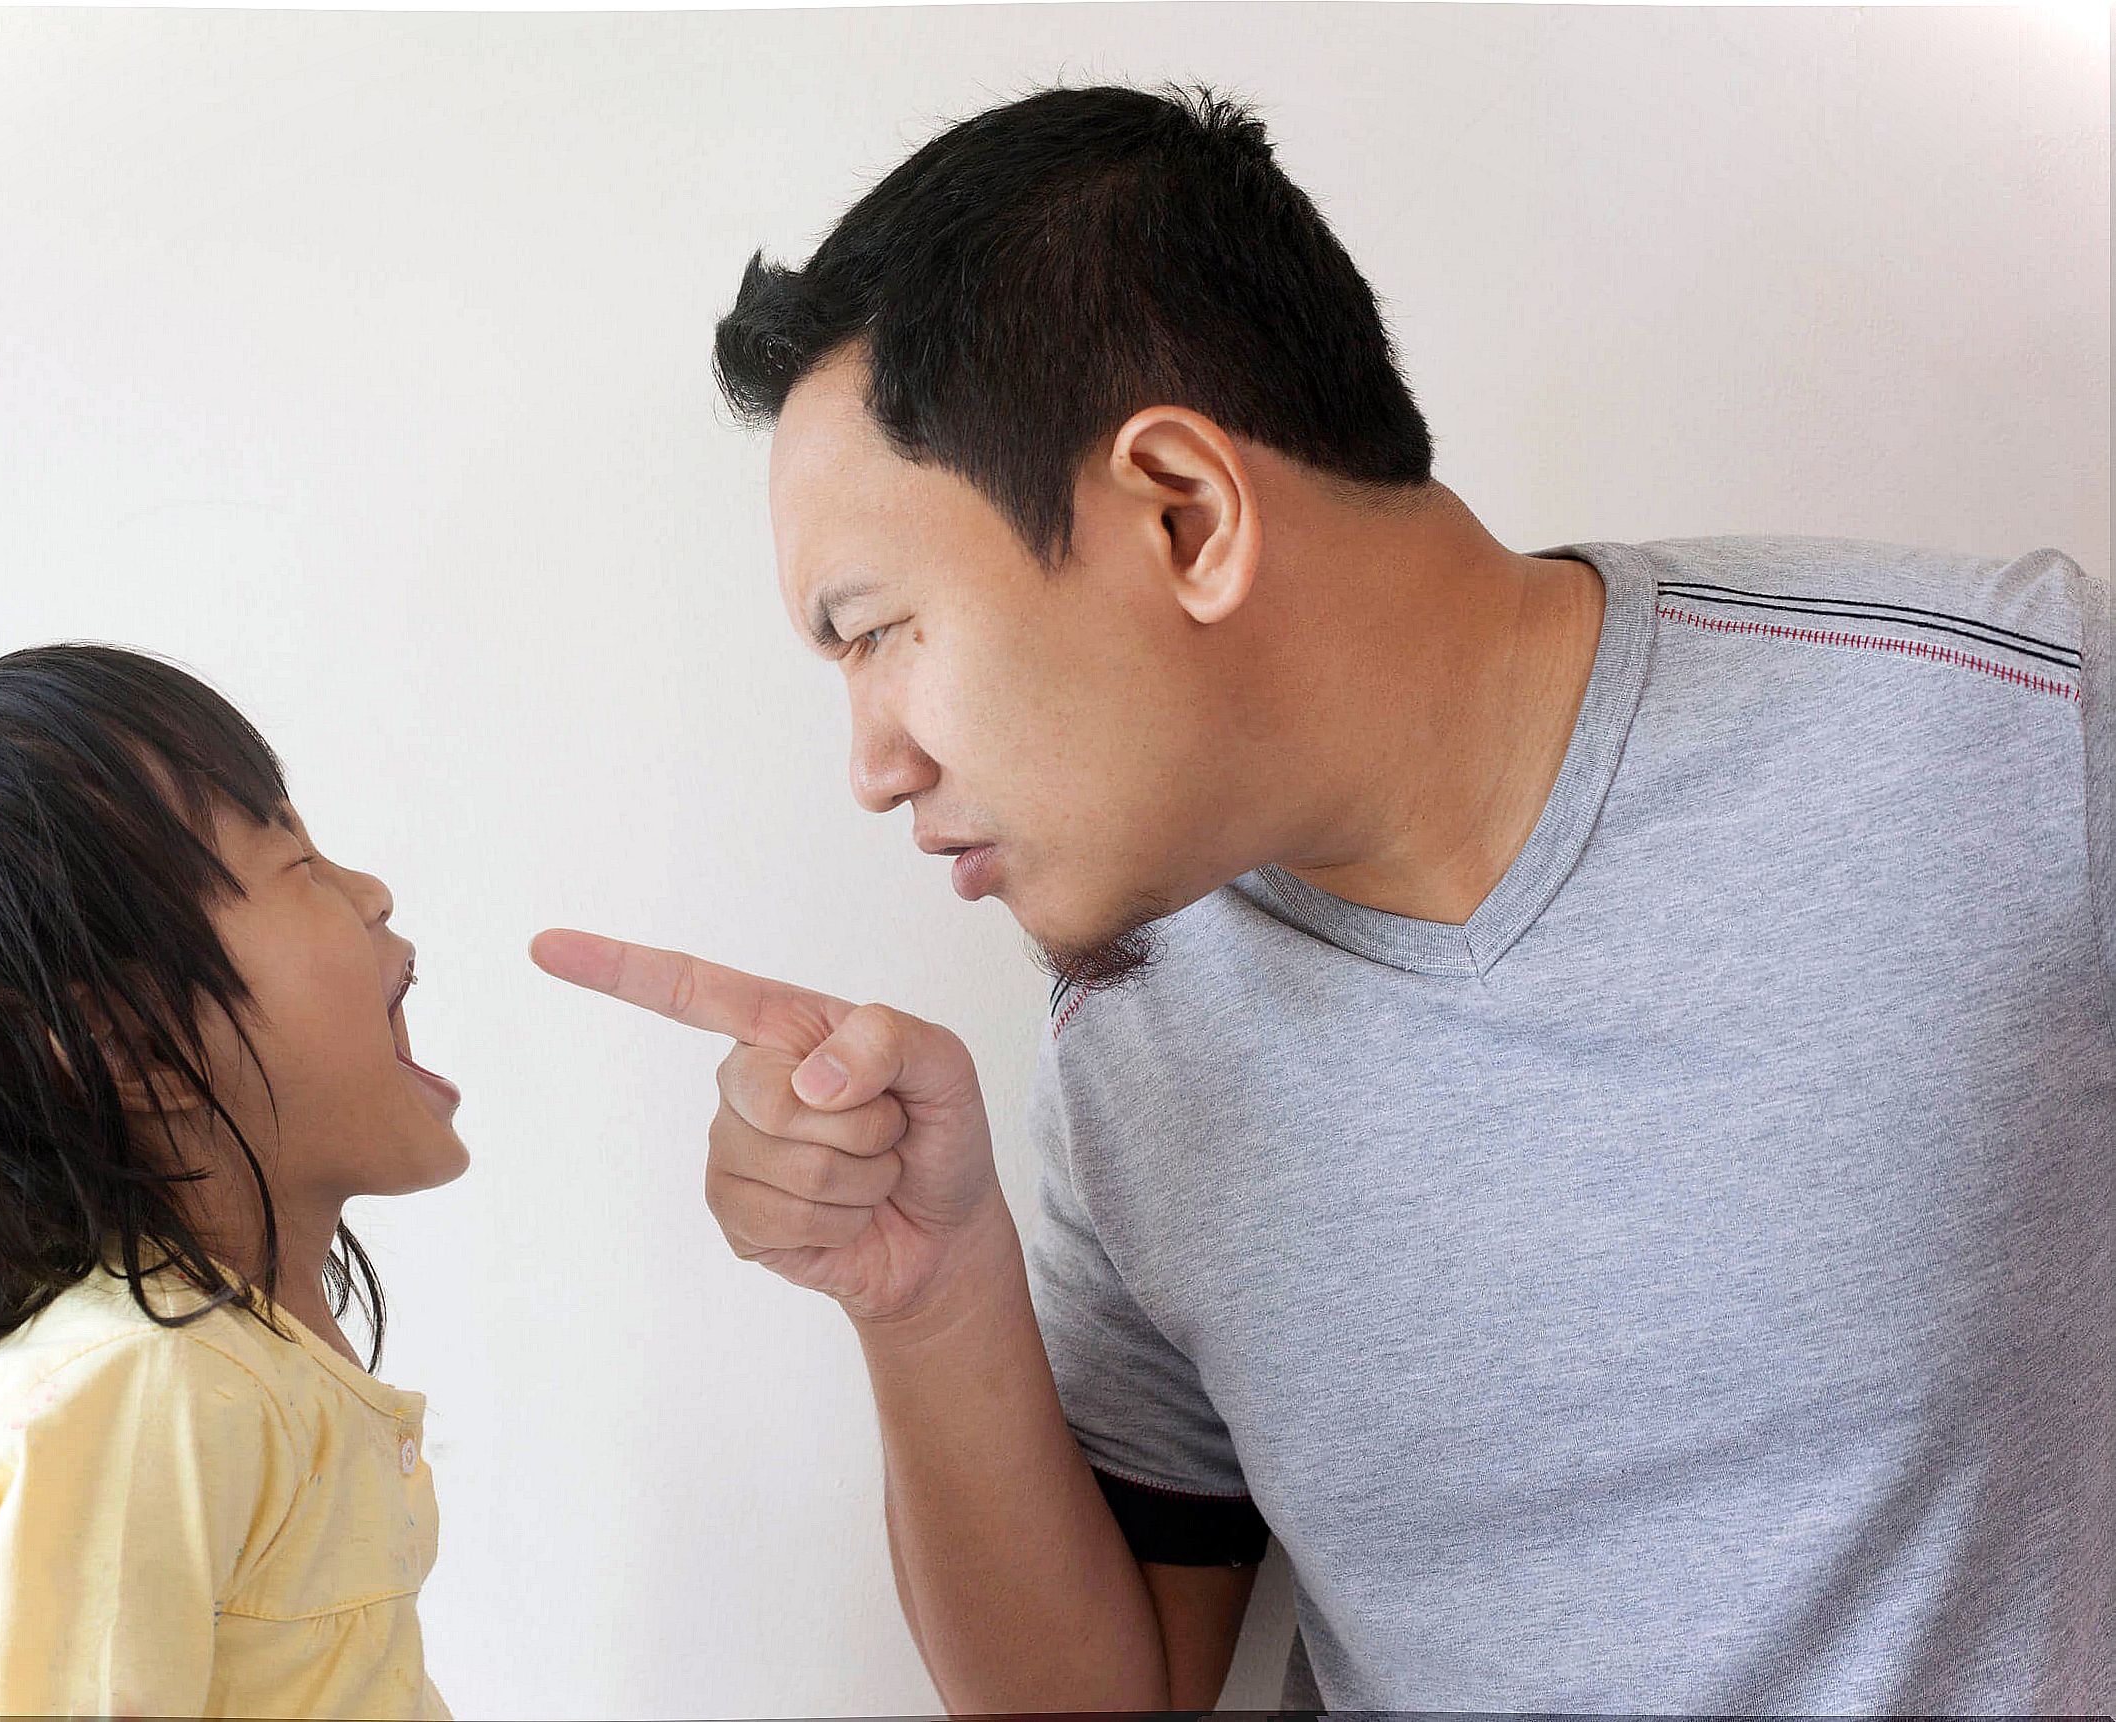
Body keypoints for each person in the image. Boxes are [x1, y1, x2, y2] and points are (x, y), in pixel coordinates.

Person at [532, 82, 2114, 1712]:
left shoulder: (2020, 732)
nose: (869, 764)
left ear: (1186, 514)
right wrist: (926, 1299)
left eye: (872, 629)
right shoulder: (1130, 1047)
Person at [0, 643, 468, 1718]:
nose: (372, 892)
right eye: (297, 864)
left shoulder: (221, 1384)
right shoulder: (138, 1394)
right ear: (134, 1049)